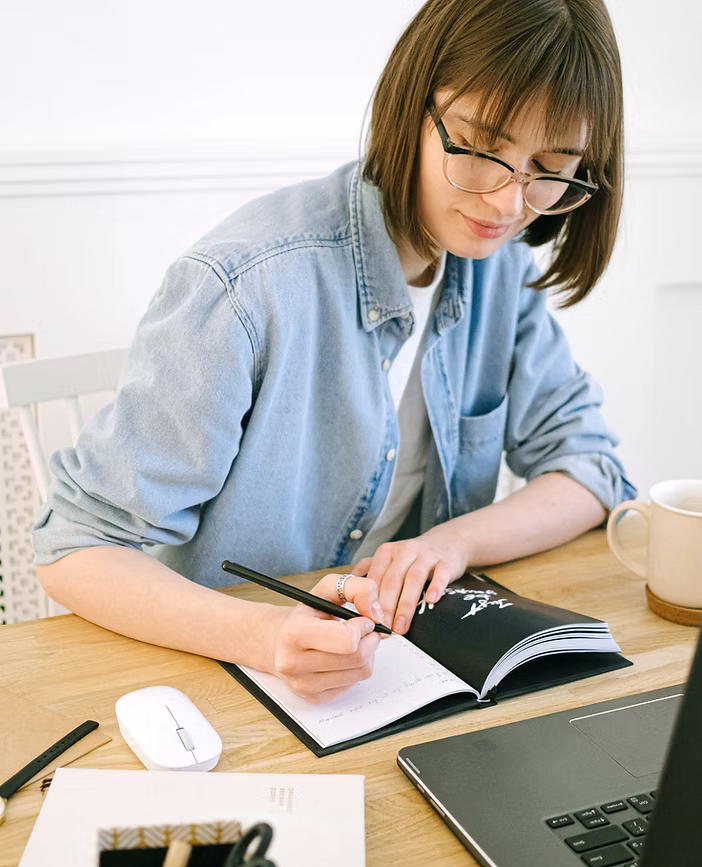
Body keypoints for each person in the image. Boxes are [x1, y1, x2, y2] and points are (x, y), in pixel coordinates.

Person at [34, 0, 634, 704]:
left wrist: (452, 544)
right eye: (480, 149)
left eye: (550, 169)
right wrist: (264, 636)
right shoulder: (246, 285)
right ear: (411, 105)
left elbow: (591, 470)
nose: (508, 203)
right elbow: (77, 548)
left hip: (389, 677)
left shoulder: (496, 269)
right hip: (222, 685)